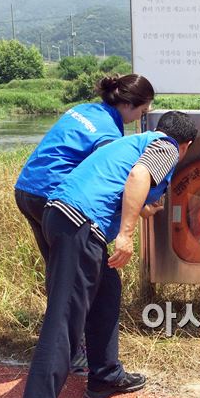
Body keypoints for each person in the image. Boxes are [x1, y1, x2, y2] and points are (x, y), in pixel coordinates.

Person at [21, 111, 198, 398]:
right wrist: (127, 235)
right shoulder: (167, 146)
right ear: (187, 146)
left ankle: (104, 376)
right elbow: (139, 176)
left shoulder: (136, 141)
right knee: (63, 319)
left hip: (64, 216)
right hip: (79, 223)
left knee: (106, 292)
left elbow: (115, 182)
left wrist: (141, 208)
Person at [14, 73, 154, 371]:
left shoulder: (85, 109)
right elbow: (107, 179)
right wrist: (140, 206)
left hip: (27, 190)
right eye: (142, 112)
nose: (140, 118)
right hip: (54, 198)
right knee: (85, 282)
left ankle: (69, 350)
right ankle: (75, 355)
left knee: (59, 274)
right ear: (128, 104)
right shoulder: (108, 135)